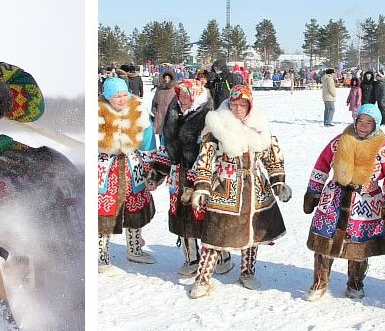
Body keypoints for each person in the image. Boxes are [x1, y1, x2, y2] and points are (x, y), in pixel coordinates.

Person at [187, 85, 290, 298]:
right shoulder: (217, 125)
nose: (238, 108)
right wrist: (202, 187)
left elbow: (272, 156)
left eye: (242, 104)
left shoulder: (260, 125)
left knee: (253, 230)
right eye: (234, 104)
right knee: (215, 233)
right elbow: (206, 159)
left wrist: (278, 181)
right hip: (226, 186)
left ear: (250, 105)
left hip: (255, 186)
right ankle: (203, 278)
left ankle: (247, 272)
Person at [302, 104, 385, 300]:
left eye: (369, 123)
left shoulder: (384, 149)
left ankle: (355, 283)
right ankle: (320, 282)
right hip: (335, 197)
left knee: (359, 244)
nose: (363, 126)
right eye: (360, 121)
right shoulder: (340, 141)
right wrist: (313, 191)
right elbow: (321, 165)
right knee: (324, 240)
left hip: (366, 202)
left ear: (376, 124)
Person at [161, 79, 232, 277]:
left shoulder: (210, 116)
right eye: (180, 94)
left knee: (207, 216)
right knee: (183, 216)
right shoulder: (173, 111)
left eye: (187, 94)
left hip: (202, 174)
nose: (182, 98)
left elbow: (218, 148)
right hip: (179, 174)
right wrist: (158, 170)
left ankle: (221, 255)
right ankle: (191, 257)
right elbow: (166, 144)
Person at [97, 78, 164, 272]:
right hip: (105, 168)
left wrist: (149, 168)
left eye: (124, 94)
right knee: (104, 211)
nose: (122, 99)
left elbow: (148, 140)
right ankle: (102, 256)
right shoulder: (98, 112)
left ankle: (134, 250)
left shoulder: (138, 110)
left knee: (135, 207)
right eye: (117, 96)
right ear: (108, 96)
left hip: (131, 166)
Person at [151, 69, 178, 136]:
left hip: (170, 115)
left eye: (168, 78)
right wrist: (154, 110)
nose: (166, 79)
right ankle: (161, 146)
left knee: (169, 135)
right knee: (161, 133)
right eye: (165, 77)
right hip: (160, 115)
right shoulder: (159, 89)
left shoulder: (174, 89)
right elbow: (154, 101)